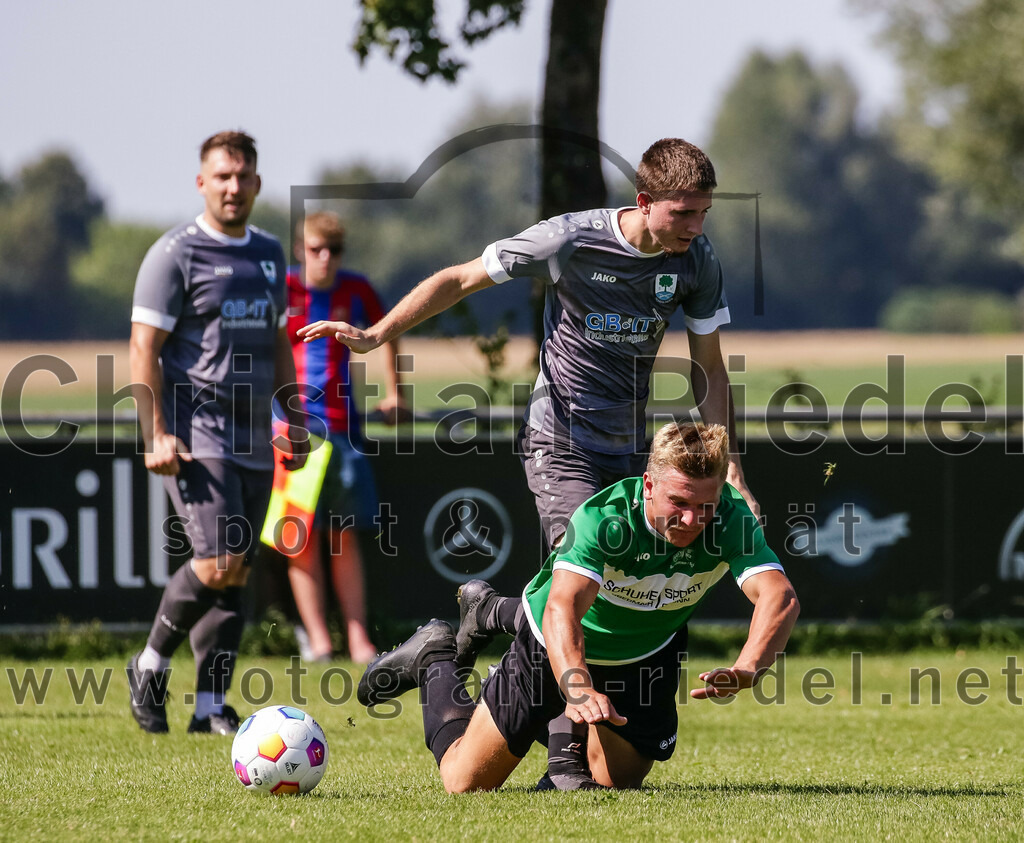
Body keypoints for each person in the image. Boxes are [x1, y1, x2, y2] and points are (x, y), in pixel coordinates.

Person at [299, 137, 760, 784]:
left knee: (612, 588)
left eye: (703, 213)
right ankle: (565, 759)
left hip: (631, 451)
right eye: (682, 213)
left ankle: (480, 621)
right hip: (560, 441)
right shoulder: (569, 240)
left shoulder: (696, 261)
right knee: (581, 576)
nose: (695, 227)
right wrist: (376, 336)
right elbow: (460, 278)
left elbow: (707, 367)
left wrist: (730, 464)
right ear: (643, 201)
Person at [355, 422, 799, 792]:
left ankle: (497, 629)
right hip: (554, 643)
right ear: (648, 485)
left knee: (615, 782)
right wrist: (578, 686)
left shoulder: (731, 520)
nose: (691, 520)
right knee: (464, 782)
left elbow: (779, 597)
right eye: (679, 503)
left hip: (646, 654)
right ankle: (434, 656)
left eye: (705, 506)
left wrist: (749, 666)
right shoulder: (604, 520)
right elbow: (563, 609)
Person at [126, 130, 307, 735]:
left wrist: (293, 418)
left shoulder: (269, 253)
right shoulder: (174, 254)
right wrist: (156, 432)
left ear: (257, 183)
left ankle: (209, 708)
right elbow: (143, 348)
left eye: (242, 176)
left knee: (239, 570)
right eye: (222, 176)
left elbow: (279, 343)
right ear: (201, 182)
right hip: (195, 432)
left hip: (255, 435)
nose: (233, 187)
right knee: (219, 559)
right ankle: (149, 664)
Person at [283, 210, 407, 663]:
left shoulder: (356, 288)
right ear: (301, 250)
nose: (325, 258)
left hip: (344, 429)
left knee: (344, 536)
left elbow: (388, 331)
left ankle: (358, 640)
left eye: (333, 250)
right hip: (292, 430)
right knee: (299, 538)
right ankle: (319, 640)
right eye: (316, 249)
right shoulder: (282, 288)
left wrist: (396, 392)